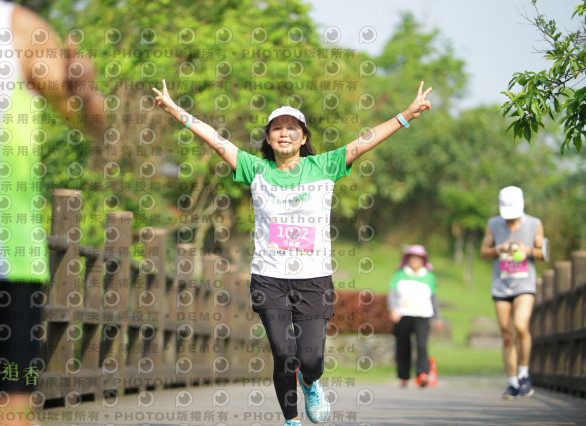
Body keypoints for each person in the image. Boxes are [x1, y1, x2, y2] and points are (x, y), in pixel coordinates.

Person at [153, 79, 432, 425]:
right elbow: (215, 139)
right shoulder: (256, 169)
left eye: (291, 128)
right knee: (284, 353)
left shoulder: (324, 166)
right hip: (269, 278)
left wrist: (407, 114)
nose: (284, 133)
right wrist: (175, 110)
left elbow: (366, 141)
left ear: (303, 137)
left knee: (310, 359)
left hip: (313, 278)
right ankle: (290, 420)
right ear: (269, 138)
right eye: (277, 128)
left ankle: (311, 383)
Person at [0, 0, 106, 424]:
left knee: (8, 414)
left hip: (6, 252)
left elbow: (89, 120)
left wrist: (84, 91)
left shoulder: (15, 28)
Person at [480, 186, 545, 399]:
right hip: (501, 284)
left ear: (523, 204)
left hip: (525, 284)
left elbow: (543, 254)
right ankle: (512, 382)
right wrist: (499, 249)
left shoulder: (534, 223)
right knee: (507, 334)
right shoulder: (493, 224)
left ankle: (524, 373)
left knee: (520, 325)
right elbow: (483, 252)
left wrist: (528, 250)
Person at [387, 244, 442, 388]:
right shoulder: (399, 274)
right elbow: (392, 293)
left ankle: (422, 373)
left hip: (423, 315)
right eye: (413, 258)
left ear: (423, 260)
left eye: (418, 259)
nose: (415, 261)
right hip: (403, 315)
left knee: (422, 344)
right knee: (403, 346)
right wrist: (392, 309)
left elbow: (434, 298)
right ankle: (404, 376)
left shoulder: (429, 276)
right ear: (408, 259)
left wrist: (438, 317)